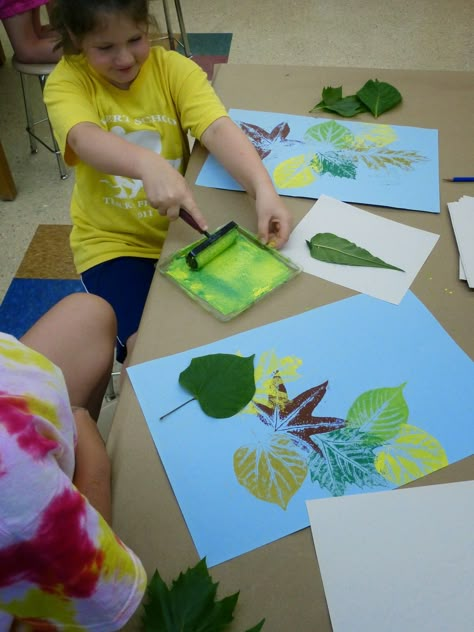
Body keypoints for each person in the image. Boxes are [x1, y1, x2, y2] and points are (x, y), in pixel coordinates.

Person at [44, 0, 293, 367]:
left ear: (148, 25)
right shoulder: (67, 82)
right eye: (105, 48)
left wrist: (262, 189)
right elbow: (83, 139)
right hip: (114, 246)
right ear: (75, 39)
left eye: (135, 39)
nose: (125, 58)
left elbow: (217, 127)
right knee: (148, 352)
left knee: (233, 332)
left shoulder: (172, 69)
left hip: (181, 235)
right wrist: (147, 165)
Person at [0, 293, 147, 629]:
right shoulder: (12, 482)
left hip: (33, 470)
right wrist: (88, 440)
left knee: (88, 314)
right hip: (52, 573)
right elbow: (97, 586)